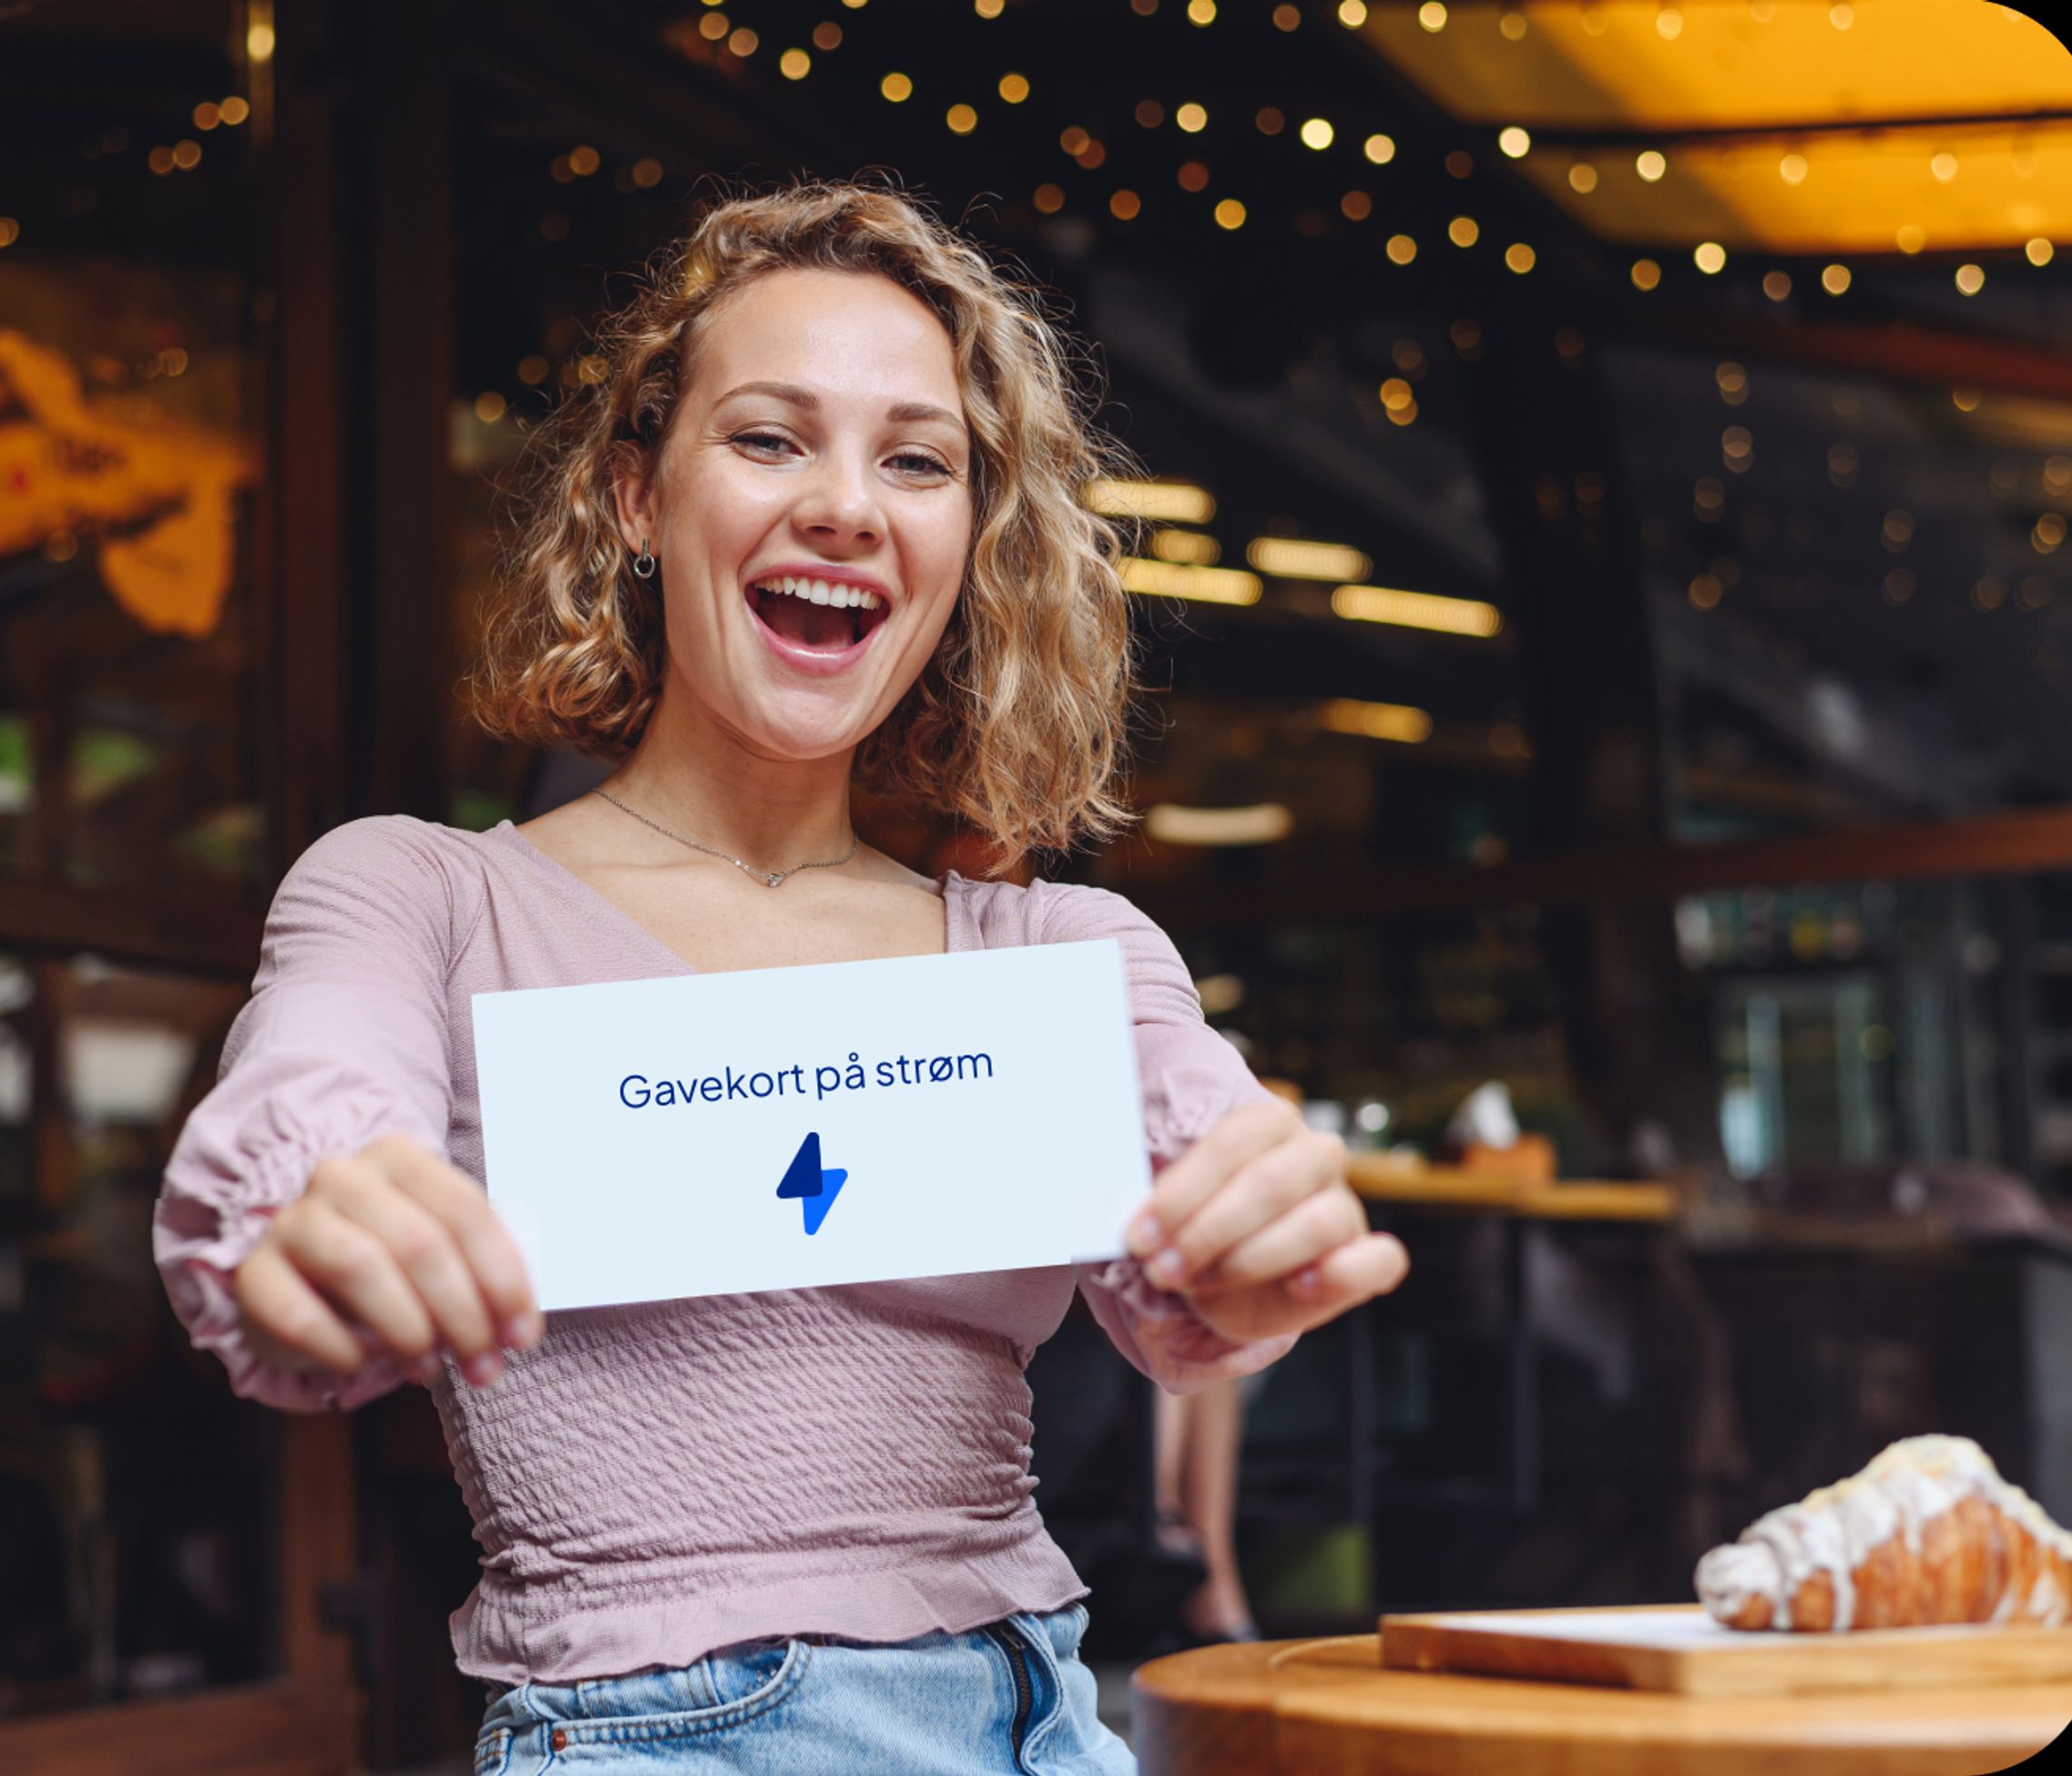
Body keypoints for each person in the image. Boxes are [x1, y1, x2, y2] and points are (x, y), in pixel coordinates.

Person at [152, 180, 1408, 1775]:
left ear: (969, 541)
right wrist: (322, 1204)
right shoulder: (427, 895)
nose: (846, 504)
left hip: (1051, 1718)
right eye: (767, 438)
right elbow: (306, 1110)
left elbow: (1207, 1178)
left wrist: (1253, 1242)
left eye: (917, 459)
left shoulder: (1057, 952)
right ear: (633, 497)